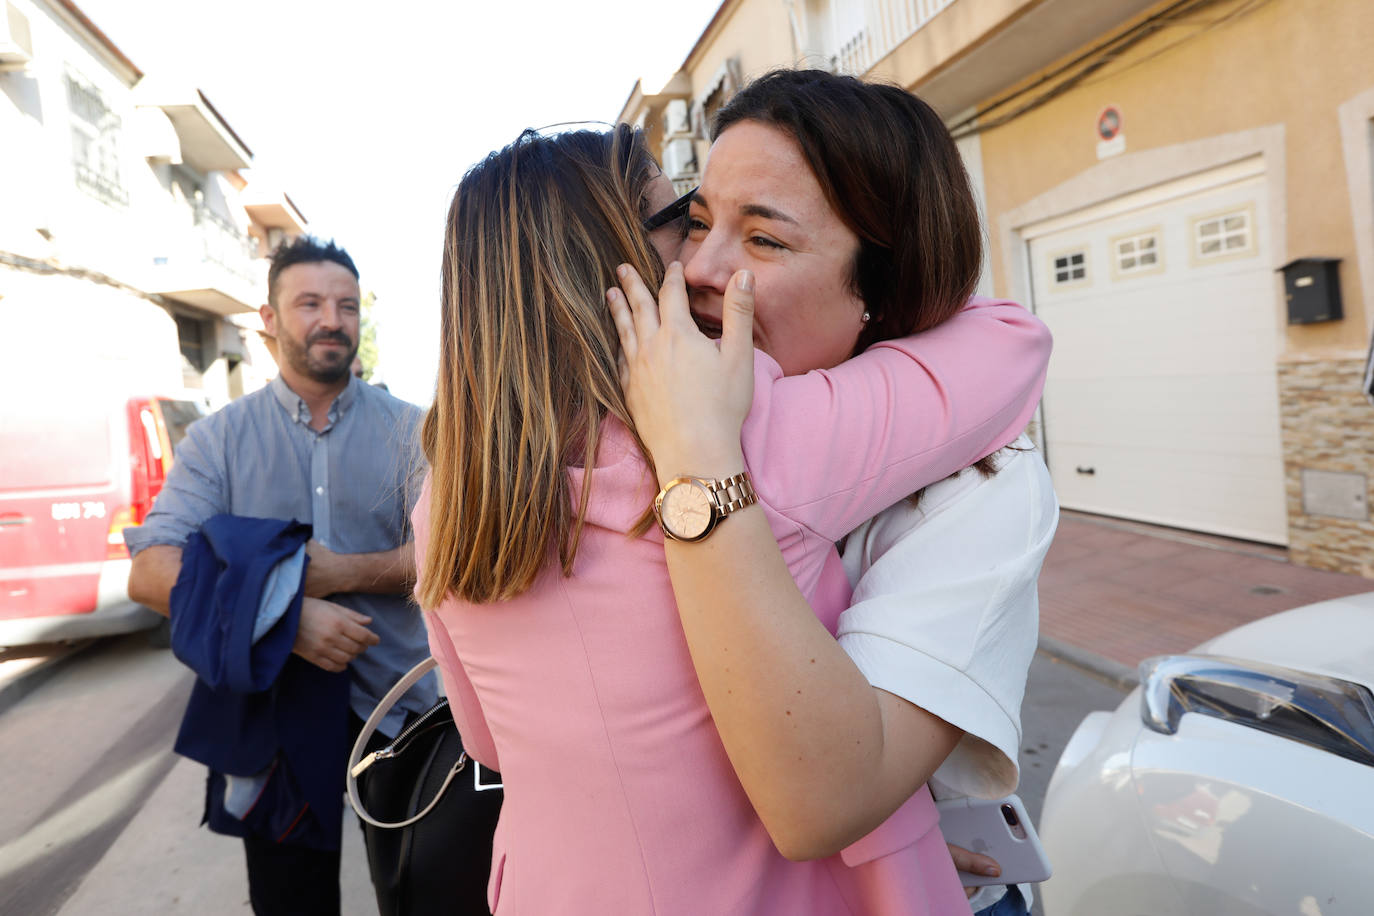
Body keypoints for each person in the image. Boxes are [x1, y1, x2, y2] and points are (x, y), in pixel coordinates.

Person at [414, 122, 1050, 914]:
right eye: (684, 217)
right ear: (612, 254)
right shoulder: (743, 429)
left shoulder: (447, 499)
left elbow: (483, 741)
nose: (701, 258)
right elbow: (1011, 348)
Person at [608, 69, 1057, 915]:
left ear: (878, 297)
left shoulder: (986, 492)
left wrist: (700, 459)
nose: (700, 269)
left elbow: (823, 799)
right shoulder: (656, 415)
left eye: (765, 242)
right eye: (698, 223)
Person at [126, 236, 435, 916]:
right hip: (275, 725)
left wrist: (342, 571)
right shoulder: (219, 441)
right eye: (310, 303)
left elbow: (452, 558)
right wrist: (286, 615)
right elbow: (150, 572)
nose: (333, 319)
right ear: (268, 319)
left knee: (424, 896)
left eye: (347, 305)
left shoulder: (414, 433)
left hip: (405, 718)